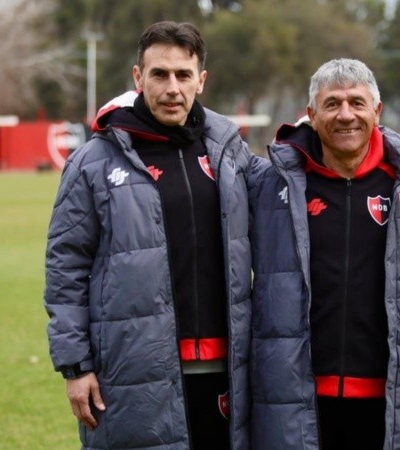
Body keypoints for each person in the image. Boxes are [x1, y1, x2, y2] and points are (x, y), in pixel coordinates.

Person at [44, 21, 254, 449]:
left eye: (183, 75)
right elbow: (65, 266)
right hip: (133, 370)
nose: (172, 87)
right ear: (138, 77)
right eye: (160, 74)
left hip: (226, 368)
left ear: (201, 80)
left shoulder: (231, 154)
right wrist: (75, 367)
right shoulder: (94, 161)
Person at [247, 58, 400, 449]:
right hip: (301, 399)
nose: (345, 115)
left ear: (377, 111)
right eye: (332, 104)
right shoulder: (272, 186)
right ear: (311, 116)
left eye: (357, 102)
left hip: (391, 399)